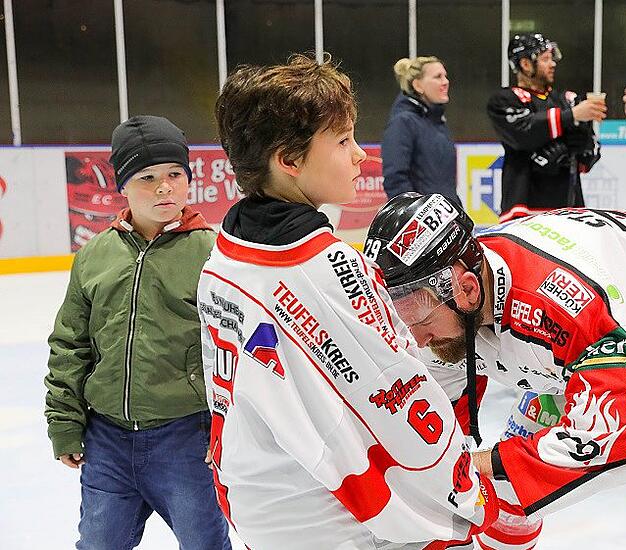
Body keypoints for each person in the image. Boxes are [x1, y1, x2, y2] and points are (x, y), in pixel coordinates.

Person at [201, 54, 498, 549]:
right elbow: (396, 400)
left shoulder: (221, 259)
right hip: (330, 520)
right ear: (289, 161)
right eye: (342, 141)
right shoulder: (328, 269)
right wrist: (464, 488)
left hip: (257, 502)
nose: (361, 155)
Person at [366, 194, 626, 550]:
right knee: (500, 490)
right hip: (590, 339)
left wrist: (479, 464)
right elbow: (440, 421)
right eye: (398, 314)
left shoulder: (566, 307)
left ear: (468, 290)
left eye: (417, 316)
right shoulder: (458, 300)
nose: (414, 338)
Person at [43, 115, 231, 550]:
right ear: (123, 185)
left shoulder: (215, 254)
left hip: (187, 438)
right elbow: (70, 344)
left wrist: (229, 427)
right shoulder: (95, 255)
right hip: (106, 439)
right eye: (147, 177)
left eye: (174, 175)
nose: (164, 187)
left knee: (205, 543)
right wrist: (65, 424)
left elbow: (235, 351)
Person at [487, 33, 604, 222]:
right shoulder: (505, 100)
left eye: (552, 58)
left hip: (569, 209)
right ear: (525, 64)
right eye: (545, 59)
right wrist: (571, 116)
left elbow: (590, 156)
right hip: (524, 210)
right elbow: (523, 132)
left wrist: (584, 146)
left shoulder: (567, 100)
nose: (553, 64)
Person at [382, 56, 461, 205]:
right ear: (418, 85)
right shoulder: (403, 122)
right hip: (425, 222)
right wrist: (416, 214)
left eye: (445, 76)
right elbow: (395, 179)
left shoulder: (437, 123)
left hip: (446, 216)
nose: (446, 82)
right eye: (438, 77)